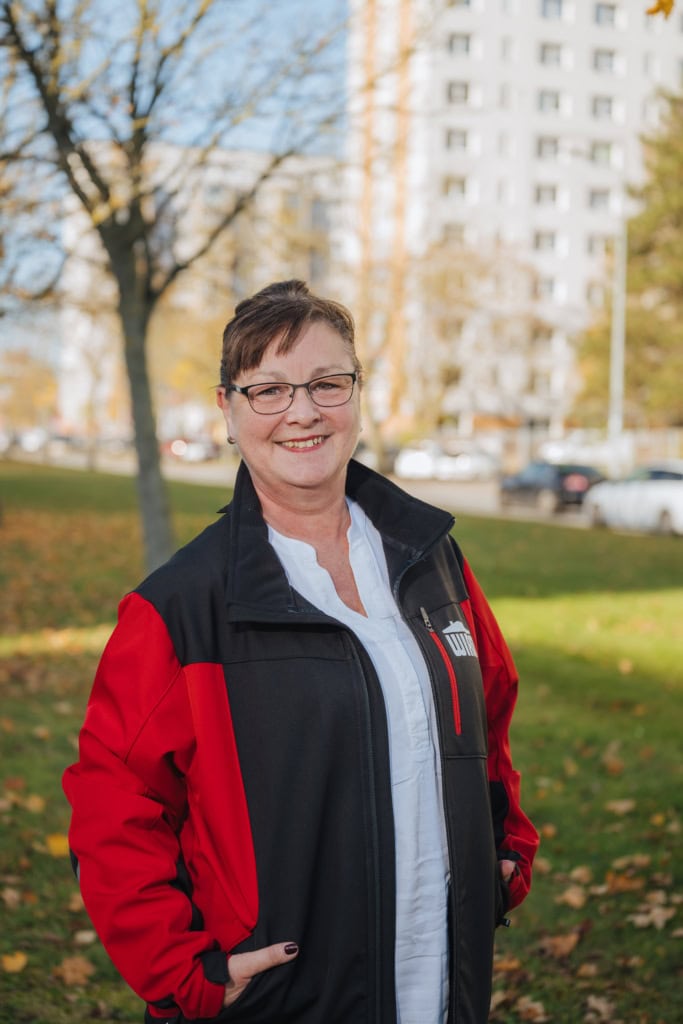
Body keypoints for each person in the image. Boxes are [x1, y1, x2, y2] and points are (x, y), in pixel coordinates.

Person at [63, 279, 538, 1024]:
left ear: (356, 393)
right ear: (227, 409)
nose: (303, 411)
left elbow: (488, 713)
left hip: (445, 977)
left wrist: (502, 848)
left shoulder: (430, 557)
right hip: (283, 995)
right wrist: (183, 972)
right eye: (269, 389)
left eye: (327, 383)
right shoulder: (181, 606)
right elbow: (112, 808)